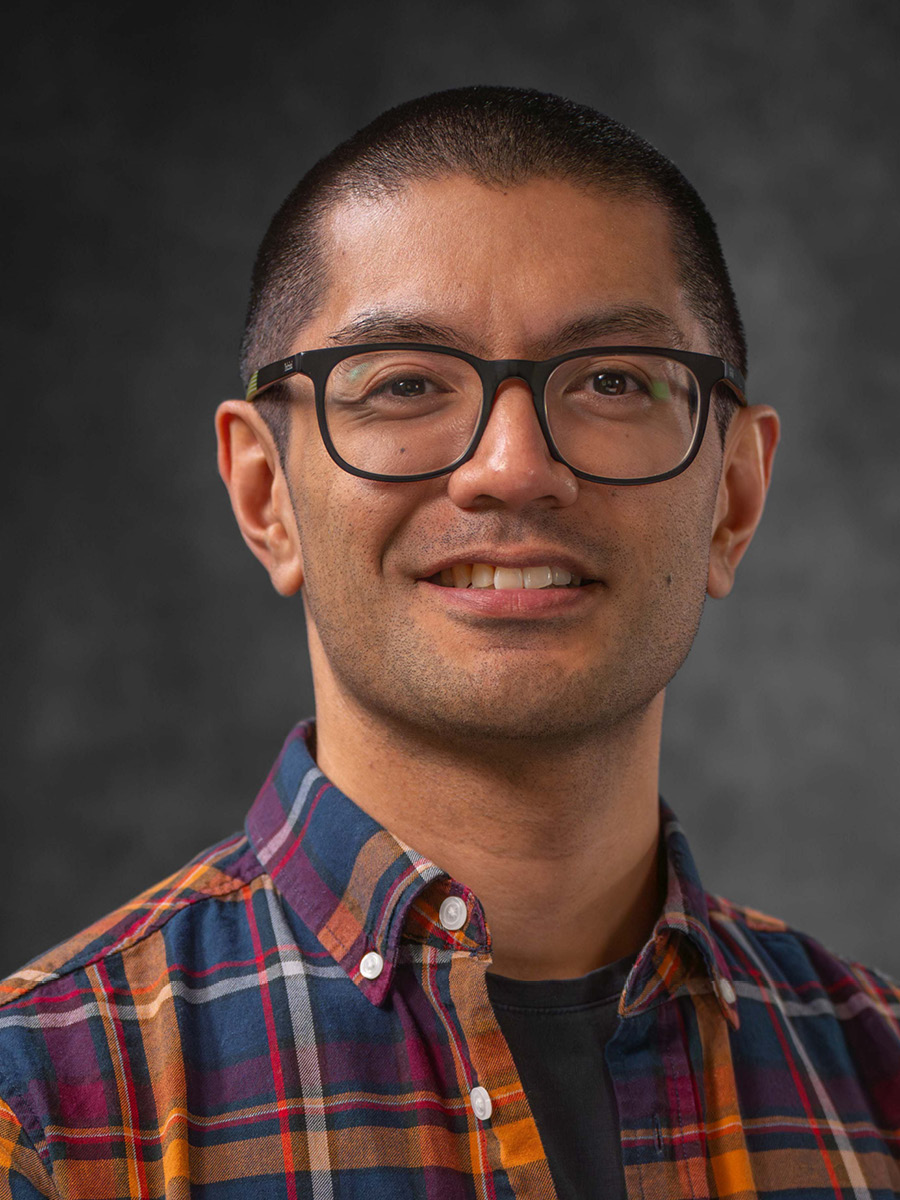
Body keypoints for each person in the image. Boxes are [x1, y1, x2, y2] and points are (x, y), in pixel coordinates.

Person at [1, 85, 897, 1200]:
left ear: (735, 501)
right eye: (407, 383)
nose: (513, 467)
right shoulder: (41, 1113)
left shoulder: (883, 1086)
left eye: (613, 379)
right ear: (266, 494)